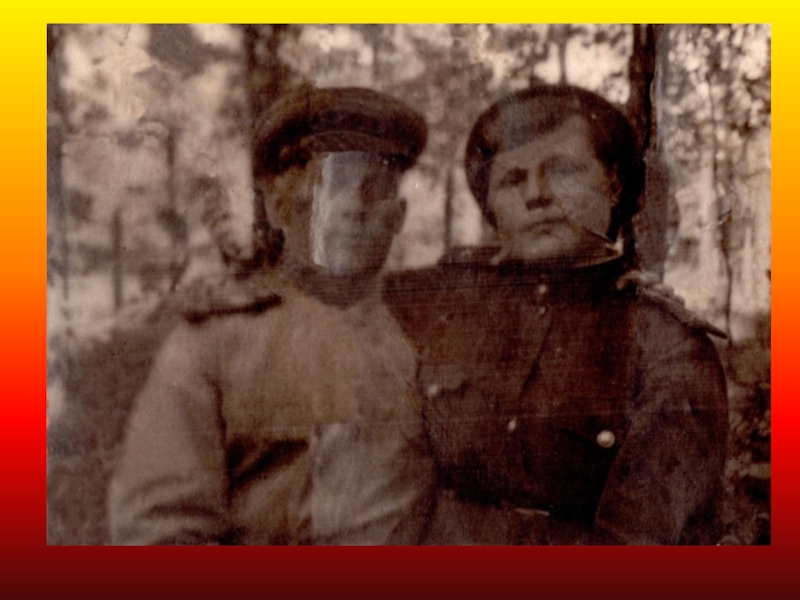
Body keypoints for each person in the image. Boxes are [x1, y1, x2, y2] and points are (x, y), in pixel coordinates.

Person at [385, 85, 729, 545]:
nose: (537, 195)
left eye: (562, 170)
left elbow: (639, 541)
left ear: (613, 184)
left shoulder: (667, 346)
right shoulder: (446, 313)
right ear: (491, 209)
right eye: (512, 180)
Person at [107, 86, 435, 545]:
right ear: (280, 204)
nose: (356, 206)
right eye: (331, 184)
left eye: (377, 187)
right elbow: (159, 532)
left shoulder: (433, 332)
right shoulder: (214, 343)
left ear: (399, 215)